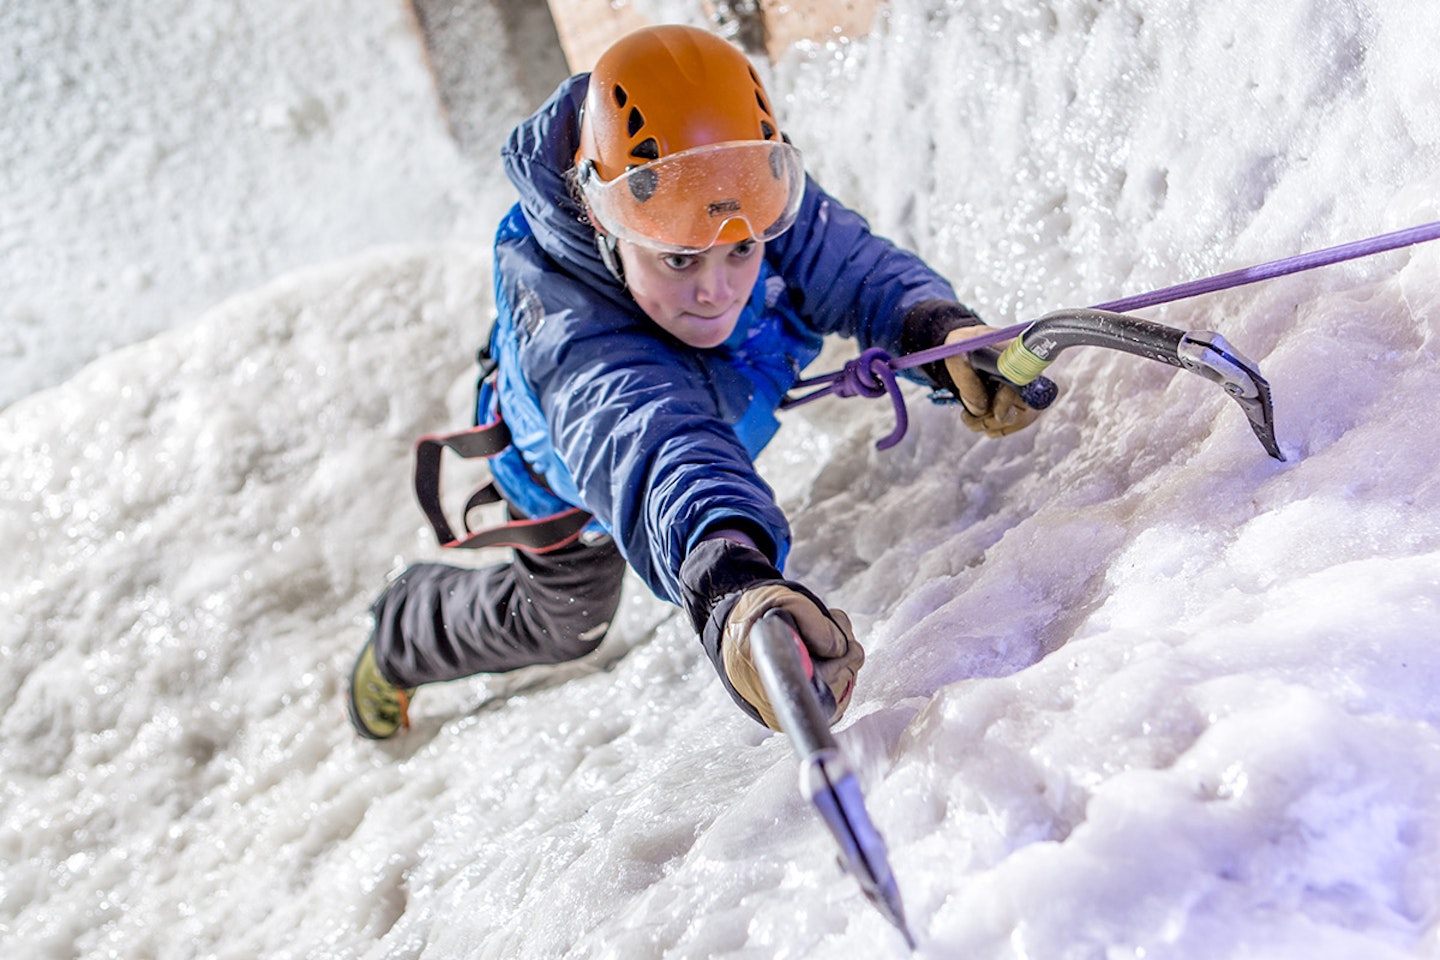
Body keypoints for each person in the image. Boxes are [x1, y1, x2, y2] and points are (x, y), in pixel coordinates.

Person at [346, 24, 1040, 740]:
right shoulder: (573, 333)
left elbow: (854, 267)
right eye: (679, 260)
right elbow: (653, 446)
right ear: (602, 222)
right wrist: (730, 590)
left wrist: (942, 333)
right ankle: (402, 633)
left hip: (691, 426)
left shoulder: (732, 189)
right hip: (571, 486)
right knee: (561, 625)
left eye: (742, 251)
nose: (718, 290)